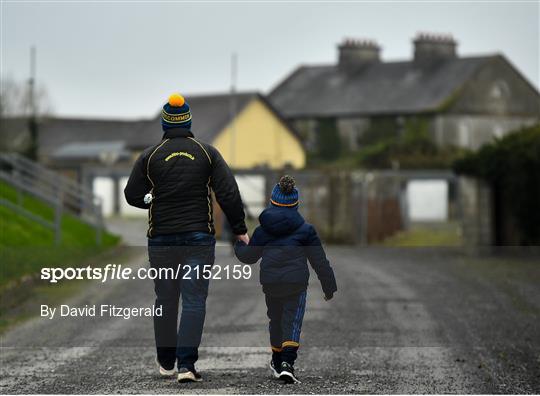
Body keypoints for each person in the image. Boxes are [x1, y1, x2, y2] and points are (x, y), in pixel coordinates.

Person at [124, 93, 248, 383]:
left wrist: (150, 200)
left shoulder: (150, 156)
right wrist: (240, 228)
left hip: (161, 240)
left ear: (165, 123)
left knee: (165, 299)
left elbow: (131, 195)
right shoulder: (207, 153)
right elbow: (228, 193)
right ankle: (186, 367)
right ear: (188, 120)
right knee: (193, 300)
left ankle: (166, 362)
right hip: (198, 239)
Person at [234, 175, 337, 383]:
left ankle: (276, 359)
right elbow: (320, 261)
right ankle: (287, 364)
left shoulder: (263, 230)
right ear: (295, 205)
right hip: (296, 284)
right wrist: (329, 287)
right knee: (293, 321)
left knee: (276, 321)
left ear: (272, 202)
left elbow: (249, 257)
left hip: (271, 283)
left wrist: (239, 244)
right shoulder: (306, 230)